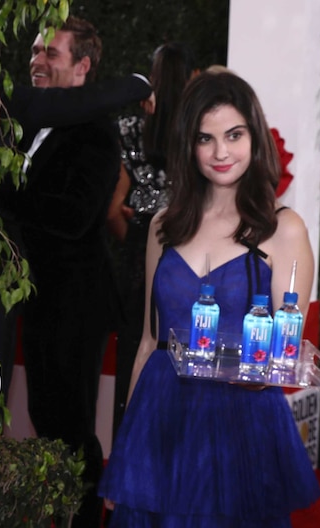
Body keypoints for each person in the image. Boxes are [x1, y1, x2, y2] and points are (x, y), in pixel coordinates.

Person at [98, 70, 320, 528]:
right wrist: (127, 452)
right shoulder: (163, 225)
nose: (221, 151)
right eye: (206, 138)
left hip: (235, 433)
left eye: (234, 135)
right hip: (162, 426)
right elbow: (149, 342)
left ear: (254, 137)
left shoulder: (283, 229)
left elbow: (287, 350)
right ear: (189, 145)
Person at [0, 16, 121, 528]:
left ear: (83, 67)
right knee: (48, 422)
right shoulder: (25, 120)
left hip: (75, 302)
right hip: (38, 298)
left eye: (53, 51)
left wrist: (2, 191)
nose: (38, 60)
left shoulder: (95, 129)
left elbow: (71, 218)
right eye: (36, 50)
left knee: (70, 430)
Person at [106, 42, 194, 436]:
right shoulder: (198, 134)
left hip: (140, 246)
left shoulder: (129, 129)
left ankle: (130, 439)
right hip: (189, 250)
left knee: (136, 348)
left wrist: (137, 244)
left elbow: (112, 209)